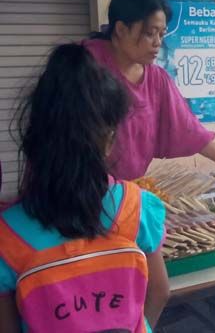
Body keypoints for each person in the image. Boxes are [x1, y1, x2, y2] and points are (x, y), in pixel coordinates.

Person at [0, 44, 168, 332]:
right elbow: (160, 291)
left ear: (35, 141)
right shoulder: (136, 208)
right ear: (109, 138)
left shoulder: (8, 235)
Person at [85, 0, 215, 182]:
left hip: (127, 192)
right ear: (121, 29)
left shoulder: (157, 79)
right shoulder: (82, 67)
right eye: (150, 33)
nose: (158, 42)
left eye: (162, 34)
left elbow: (189, 129)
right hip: (82, 189)